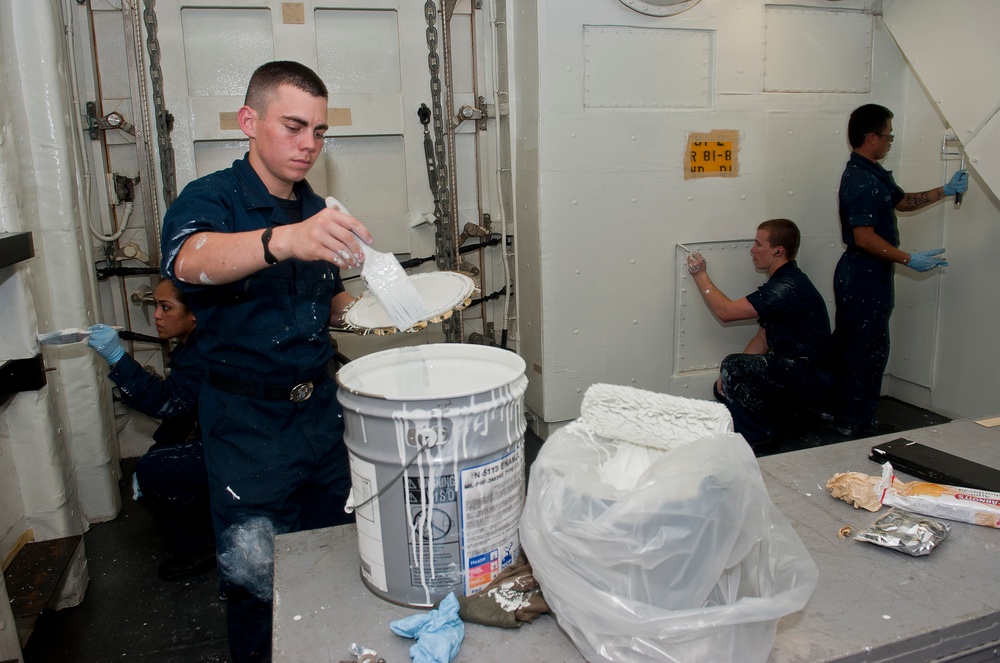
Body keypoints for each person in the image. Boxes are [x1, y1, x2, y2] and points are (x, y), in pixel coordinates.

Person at [159, 60, 371, 662]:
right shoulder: (212, 199)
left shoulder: (314, 206)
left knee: (336, 553)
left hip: (321, 420)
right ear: (249, 121)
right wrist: (283, 240)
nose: (309, 145)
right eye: (294, 126)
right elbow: (189, 259)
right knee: (257, 579)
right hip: (247, 429)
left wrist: (380, 309)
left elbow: (325, 300)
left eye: (320, 131)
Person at [833, 104, 968, 437]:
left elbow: (903, 201)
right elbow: (864, 237)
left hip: (870, 274)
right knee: (864, 350)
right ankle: (853, 425)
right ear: (871, 137)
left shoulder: (873, 173)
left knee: (868, 346)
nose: (891, 140)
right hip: (862, 274)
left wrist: (944, 190)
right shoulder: (861, 180)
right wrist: (909, 259)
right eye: (888, 134)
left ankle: (856, 419)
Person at [87, 279, 214, 581]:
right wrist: (157, 454)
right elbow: (182, 413)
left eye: (165, 307)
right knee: (156, 465)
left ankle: (207, 545)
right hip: (233, 440)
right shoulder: (192, 344)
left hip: (247, 449)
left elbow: (168, 402)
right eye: (155, 305)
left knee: (156, 470)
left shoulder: (204, 351)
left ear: (194, 312)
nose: (156, 315)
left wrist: (117, 358)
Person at [686, 219, 835, 447]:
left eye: (758, 244)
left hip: (811, 376)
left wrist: (700, 275)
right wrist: (730, 378)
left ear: (777, 251)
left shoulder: (786, 287)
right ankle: (776, 423)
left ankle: (755, 438)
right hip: (795, 370)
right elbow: (763, 337)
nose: (752, 250)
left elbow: (726, 312)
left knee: (733, 367)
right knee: (726, 384)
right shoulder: (785, 283)